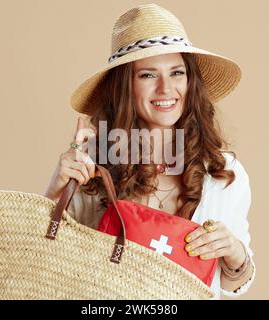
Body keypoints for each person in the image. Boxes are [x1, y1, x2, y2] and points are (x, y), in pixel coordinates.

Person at [44, 3, 255, 299]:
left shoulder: (223, 173)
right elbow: (44, 255)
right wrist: (54, 193)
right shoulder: (94, 165)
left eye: (177, 72)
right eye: (148, 75)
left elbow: (233, 287)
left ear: (190, 81)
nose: (166, 89)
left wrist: (234, 253)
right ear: (125, 86)